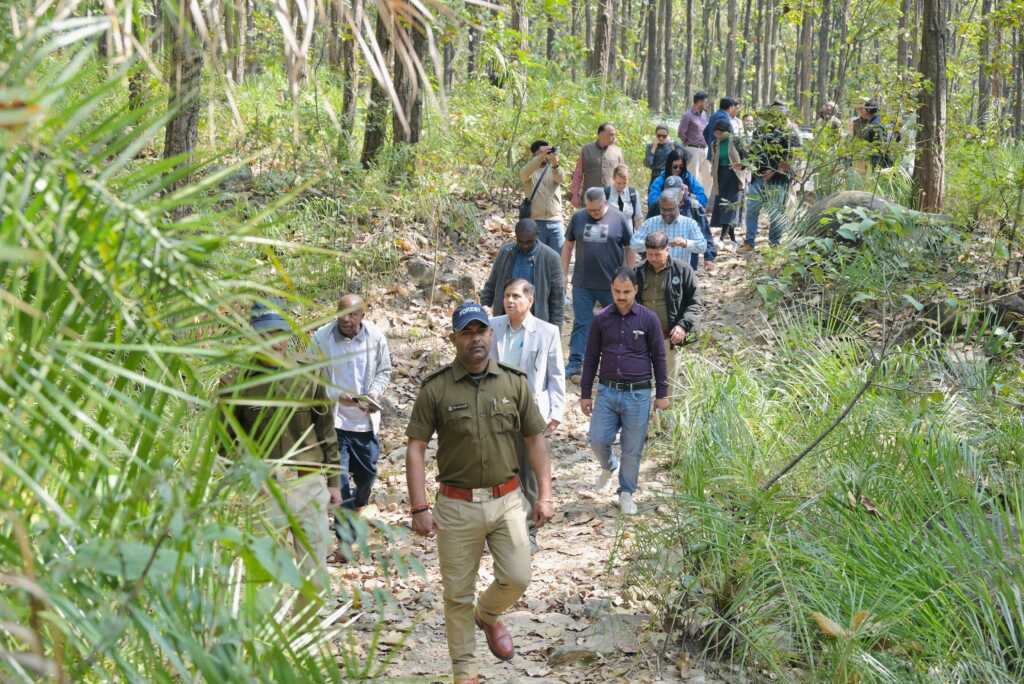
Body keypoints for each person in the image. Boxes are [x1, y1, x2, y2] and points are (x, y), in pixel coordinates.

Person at [405, 302, 554, 684]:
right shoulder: (436, 389)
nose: (475, 339)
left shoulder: (513, 382)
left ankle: (487, 614)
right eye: (467, 332)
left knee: (518, 576)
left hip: (507, 500)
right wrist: (419, 506)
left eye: (481, 331)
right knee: (457, 595)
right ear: (454, 338)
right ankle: (465, 672)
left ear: (492, 334)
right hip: (456, 505)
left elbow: (536, 438)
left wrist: (545, 495)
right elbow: (416, 447)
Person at [219, 300, 338, 606]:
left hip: (307, 483)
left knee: (314, 572)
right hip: (263, 487)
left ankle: (306, 640)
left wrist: (334, 483)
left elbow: (325, 428)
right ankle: (266, 642)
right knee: (262, 573)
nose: (275, 342)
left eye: (279, 332)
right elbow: (224, 443)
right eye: (266, 334)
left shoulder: (310, 373)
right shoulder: (235, 383)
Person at [578, 267, 668, 515]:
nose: (621, 296)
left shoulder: (649, 319)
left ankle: (626, 492)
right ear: (611, 290)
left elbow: (659, 357)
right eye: (617, 291)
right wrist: (585, 393)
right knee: (597, 439)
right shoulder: (601, 319)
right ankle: (608, 466)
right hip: (607, 391)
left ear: (636, 290)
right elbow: (591, 357)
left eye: (626, 291)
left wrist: (662, 393)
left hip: (638, 393)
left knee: (632, 447)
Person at [488, 279, 565, 551]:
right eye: (507, 295)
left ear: (529, 300)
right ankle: (502, 529)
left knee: (530, 473)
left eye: (516, 296)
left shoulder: (546, 332)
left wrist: (557, 410)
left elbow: (555, 374)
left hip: (531, 410)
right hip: (496, 409)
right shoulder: (492, 326)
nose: (510, 301)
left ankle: (530, 530)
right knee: (499, 471)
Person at [310, 293, 392, 514]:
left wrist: (374, 393)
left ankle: (359, 506)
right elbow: (310, 376)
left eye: (351, 315)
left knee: (368, 474)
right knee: (341, 482)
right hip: (335, 421)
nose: (345, 320)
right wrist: (336, 395)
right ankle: (345, 538)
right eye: (341, 315)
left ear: (362, 316)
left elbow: (384, 371)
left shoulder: (375, 338)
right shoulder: (321, 338)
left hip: (364, 421)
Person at [561, 187, 636, 383]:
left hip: (611, 284)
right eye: (589, 210)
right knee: (582, 323)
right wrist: (563, 273)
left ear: (605, 203)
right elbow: (568, 245)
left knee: (618, 323)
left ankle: (621, 362)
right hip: (582, 282)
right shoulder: (578, 218)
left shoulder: (619, 218)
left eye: (596, 210)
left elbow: (630, 247)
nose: (592, 214)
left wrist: (630, 274)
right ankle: (576, 363)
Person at [635, 232, 701, 382]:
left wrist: (683, 326)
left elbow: (695, 303)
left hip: (669, 338)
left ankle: (667, 406)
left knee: (668, 382)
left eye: (657, 255)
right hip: (642, 337)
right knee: (641, 380)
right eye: (649, 254)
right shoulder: (638, 271)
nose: (652, 259)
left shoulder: (683, 270)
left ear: (667, 250)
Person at [480, 219, 565, 327]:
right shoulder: (506, 252)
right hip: (505, 318)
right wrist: (485, 305)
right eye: (520, 242)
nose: (524, 246)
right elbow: (492, 283)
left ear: (537, 236)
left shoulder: (551, 258)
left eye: (529, 242)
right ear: (516, 236)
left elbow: (557, 299)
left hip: (537, 320)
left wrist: (555, 329)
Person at [740, 105, 801, 253]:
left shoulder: (791, 132)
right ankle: (749, 242)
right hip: (759, 177)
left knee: (776, 213)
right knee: (752, 210)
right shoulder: (760, 131)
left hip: (779, 180)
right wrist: (744, 165)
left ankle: (774, 245)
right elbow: (753, 152)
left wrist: (774, 171)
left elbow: (794, 157)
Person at [632, 191, 708, 270]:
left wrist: (685, 243)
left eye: (671, 209)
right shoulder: (650, 223)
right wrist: (652, 245)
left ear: (678, 205)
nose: (667, 213)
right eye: (664, 209)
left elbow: (703, 246)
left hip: (679, 273)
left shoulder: (689, 223)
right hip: (653, 272)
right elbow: (634, 244)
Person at [520, 140, 565, 252]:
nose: (545, 155)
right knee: (537, 259)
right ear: (534, 154)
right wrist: (540, 157)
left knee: (558, 259)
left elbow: (561, 178)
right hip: (535, 222)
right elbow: (524, 175)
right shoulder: (529, 171)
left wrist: (555, 162)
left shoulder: (554, 169)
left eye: (546, 151)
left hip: (555, 221)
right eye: (541, 152)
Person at [708, 118, 745, 245]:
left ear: (726, 132)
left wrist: (741, 166)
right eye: (715, 133)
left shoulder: (736, 141)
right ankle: (731, 236)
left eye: (719, 133)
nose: (717, 135)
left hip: (734, 176)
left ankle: (724, 237)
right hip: (721, 177)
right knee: (723, 205)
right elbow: (712, 159)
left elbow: (745, 157)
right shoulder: (715, 144)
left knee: (732, 205)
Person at [571, 123, 625, 208]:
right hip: (590, 199)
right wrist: (575, 195)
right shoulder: (586, 149)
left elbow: (623, 175)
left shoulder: (617, 151)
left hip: (611, 200)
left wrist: (623, 195)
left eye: (614, 135)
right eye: (611, 134)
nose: (614, 137)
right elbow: (578, 174)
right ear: (600, 134)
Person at [646, 148, 708, 214]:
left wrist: (688, 195)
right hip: (665, 213)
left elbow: (703, 200)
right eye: (675, 167)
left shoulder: (689, 178)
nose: (678, 169)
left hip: (686, 214)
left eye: (681, 167)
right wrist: (666, 196)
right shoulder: (661, 180)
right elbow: (652, 201)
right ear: (669, 166)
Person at [677, 91, 711, 190]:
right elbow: (681, 132)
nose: (707, 104)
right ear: (699, 102)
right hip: (692, 149)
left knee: (708, 176)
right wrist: (689, 143)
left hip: (705, 149)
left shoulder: (705, 115)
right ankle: (691, 200)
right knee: (693, 176)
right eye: (705, 102)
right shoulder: (688, 115)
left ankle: (705, 200)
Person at [854, 98, 898, 169]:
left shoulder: (876, 125)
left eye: (863, 109)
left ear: (868, 110)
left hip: (879, 165)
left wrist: (874, 167)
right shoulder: (872, 122)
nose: (861, 111)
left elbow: (878, 148)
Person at [643, 124, 683, 189]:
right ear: (655, 135)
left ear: (667, 136)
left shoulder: (673, 145)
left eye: (664, 136)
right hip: (655, 176)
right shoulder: (650, 146)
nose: (661, 138)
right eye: (659, 136)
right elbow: (648, 163)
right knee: (653, 198)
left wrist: (673, 149)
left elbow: (684, 160)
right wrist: (654, 148)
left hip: (669, 176)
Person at [604, 164, 642, 232]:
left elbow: (638, 218)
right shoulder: (606, 193)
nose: (621, 186)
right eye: (618, 183)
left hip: (629, 235)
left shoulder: (633, 194)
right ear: (613, 178)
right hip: (611, 234)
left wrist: (638, 236)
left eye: (624, 183)